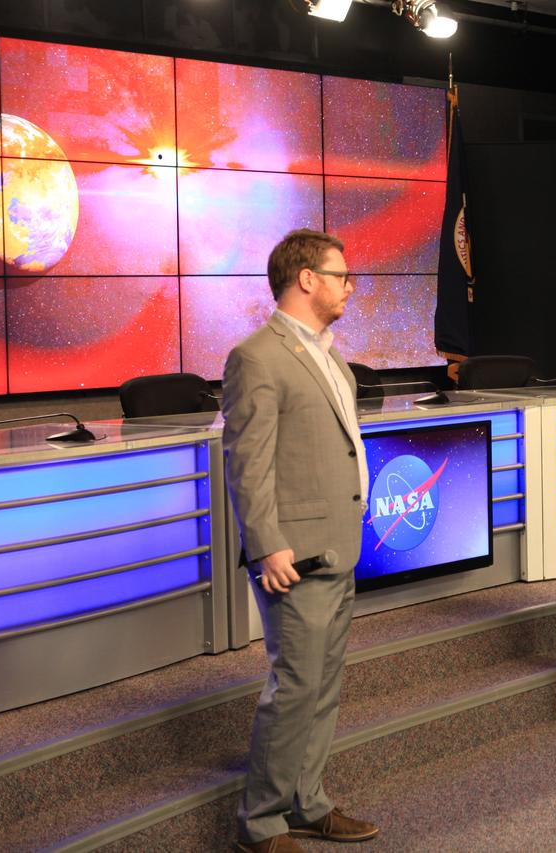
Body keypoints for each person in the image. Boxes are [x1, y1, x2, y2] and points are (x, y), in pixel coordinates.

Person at [223, 228, 379, 851]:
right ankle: (260, 824)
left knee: (322, 685)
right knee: (294, 688)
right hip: (295, 554)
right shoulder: (257, 355)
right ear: (307, 279)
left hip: (339, 545)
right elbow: (247, 461)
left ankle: (307, 804)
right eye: (342, 275)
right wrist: (266, 544)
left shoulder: (331, 353)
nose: (350, 286)